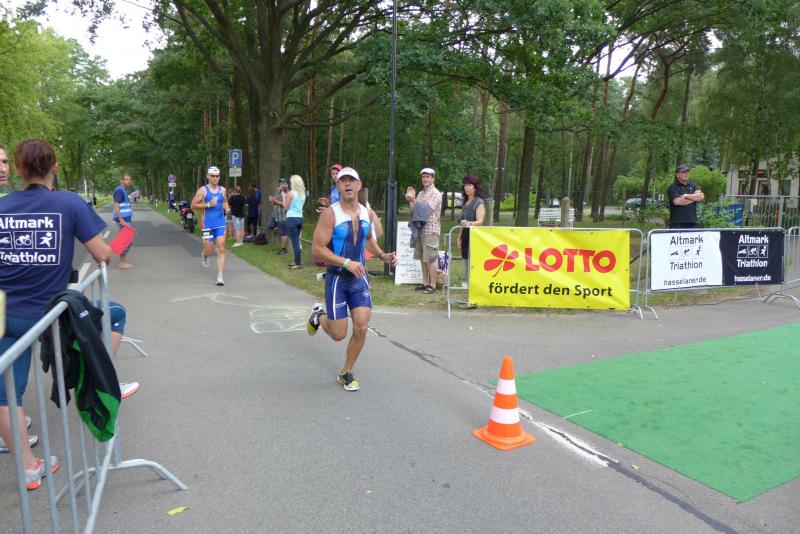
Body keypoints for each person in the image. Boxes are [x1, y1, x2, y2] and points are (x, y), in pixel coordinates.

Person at [0, 139, 112, 490]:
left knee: (6, 392)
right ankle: (102, 380)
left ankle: (30, 468)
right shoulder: (69, 203)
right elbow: (102, 254)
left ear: (19, 169)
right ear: (55, 167)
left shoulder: (2, 207)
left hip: (3, 311)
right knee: (115, 316)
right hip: (47, 314)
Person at [307, 167, 397, 391]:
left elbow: (368, 239)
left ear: (359, 185)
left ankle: (345, 372)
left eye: (351, 180)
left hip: (359, 278)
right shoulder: (330, 214)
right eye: (342, 180)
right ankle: (319, 316)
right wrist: (346, 262)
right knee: (338, 334)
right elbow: (317, 249)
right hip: (337, 278)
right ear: (338, 186)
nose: (347, 183)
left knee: (361, 327)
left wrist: (382, 255)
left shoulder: (367, 213)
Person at [405, 167, 442, 294]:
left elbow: (426, 211)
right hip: (419, 230)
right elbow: (413, 211)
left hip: (431, 230)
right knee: (422, 258)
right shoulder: (421, 194)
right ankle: (425, 283)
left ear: (433, 179)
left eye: (428, 177)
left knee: (431, 258)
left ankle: (432, 285)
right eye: (423, 177)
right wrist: (411, 200)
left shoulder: (436, 193)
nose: (425, 179)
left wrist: (413, 200)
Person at [192, 166, 230, 286]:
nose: (215, 178)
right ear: (208, 176)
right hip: (207, 224)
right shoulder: (203, 190)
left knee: (221, 248)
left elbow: (224, 201)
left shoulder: (222, 190)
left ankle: (220, 276)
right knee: (209, 250)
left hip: (220, 223)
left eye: (217, 176)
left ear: (219, 177)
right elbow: (193, 205)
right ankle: (205, 256)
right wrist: (208, 204)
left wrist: (227, 208)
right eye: (213, 176)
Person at [458, 175, 486, 286]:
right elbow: (462, 222)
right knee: (466, 259)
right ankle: (468, 282)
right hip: (465, 235)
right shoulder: (465, 202)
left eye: (469, 185)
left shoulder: (479, 202)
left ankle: (474, 284)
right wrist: (459, 237)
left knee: (473, 261)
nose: (467, 188)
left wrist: (469, 223)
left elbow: (480, 221)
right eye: (465, 185)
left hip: (474, 235)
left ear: (475, 187)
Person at [668, 163, 705, 229]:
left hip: (692, 223)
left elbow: (701, 196)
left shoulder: (693, 185)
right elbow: (677, 201)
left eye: (687, 172)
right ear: (677, 175)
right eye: (683, 172)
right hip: (677, 224)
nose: (686, 174)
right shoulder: (672, 187)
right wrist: (694, 198)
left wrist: (686, 195)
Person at [282, 174, 306, 269]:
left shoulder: (290, 193)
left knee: (295, 242)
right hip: (300, 218)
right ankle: (296, 260)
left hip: (291, 218)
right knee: (297, 241)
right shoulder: (303, 194)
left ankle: (298, 263)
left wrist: (284, 197)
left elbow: (285, 207)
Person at [112, 173, 135, 269]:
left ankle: (123, 261)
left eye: (130, 180)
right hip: (123, 219)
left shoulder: (124, 190)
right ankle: (122, 263)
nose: (129, 181)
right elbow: (116, 205)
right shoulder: (119, 190)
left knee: (126, 240)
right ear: (122, 181)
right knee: (126, 241)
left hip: (126, 219)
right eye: (127, 180)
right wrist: (121, 220)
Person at [267, 177, 289, 255]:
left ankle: (283, 249)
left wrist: (274, 200)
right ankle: (277, 227)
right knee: (269, 225)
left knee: (284, 233)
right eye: (280, 183)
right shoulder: (277, 191)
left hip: (282, 215)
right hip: (275, 214)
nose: (281, 185)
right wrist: (272, 200)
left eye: (283, 183)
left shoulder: (288, 192)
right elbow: (274, 202)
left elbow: (284, 204)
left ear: (286, 184)